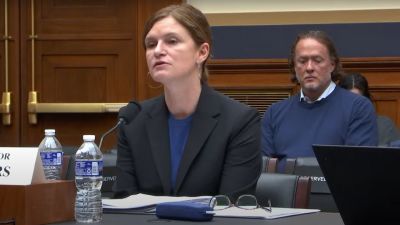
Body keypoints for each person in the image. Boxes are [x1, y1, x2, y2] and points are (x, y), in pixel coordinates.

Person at [113, 4, 261, 200]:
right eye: (150, 44)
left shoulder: (240, 121)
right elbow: (123, 204)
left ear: (202, 52)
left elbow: (231, 207)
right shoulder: (132, 120)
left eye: (172, 41)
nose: (158, 51)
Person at [261, 30, 378, 171]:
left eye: (317, 60)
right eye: (302, 61)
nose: (309, 68)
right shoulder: (274, 112)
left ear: (332, 64)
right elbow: (263, 170)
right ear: (294, 67)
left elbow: (358, 169)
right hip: (284, 192)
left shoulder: (358, 108)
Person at [339, 73, 400, 146]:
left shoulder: (385, 126)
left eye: (358, 100)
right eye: (348, 100)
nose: (353, 105)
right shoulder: (332, 125)